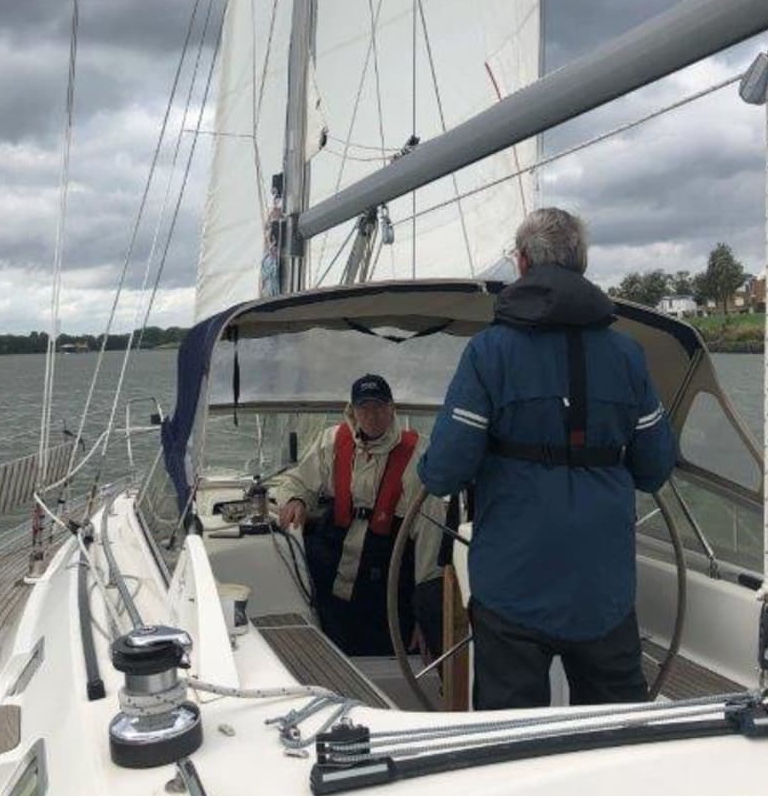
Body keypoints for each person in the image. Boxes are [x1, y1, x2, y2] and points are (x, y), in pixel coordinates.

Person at [418, 207, 677, 709]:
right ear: (581, 264)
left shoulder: (489, 354)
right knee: (620, 734)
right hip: (604, 592)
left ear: (520, 264)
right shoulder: (627, 356)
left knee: (511, 740)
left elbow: (445, 471)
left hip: (513, 590)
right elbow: (654, 469)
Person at [275, 374, 443, 657]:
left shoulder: (418, 455)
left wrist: (426, 612)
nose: (372, 415)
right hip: (334, 566)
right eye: (364, 407)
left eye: (379, 406)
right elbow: (297, 480)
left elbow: (430, 536)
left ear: (392, 409)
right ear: (351, 411)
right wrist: (295, 499)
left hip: (388, 571)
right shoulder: (331, 441)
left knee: (383, 651)